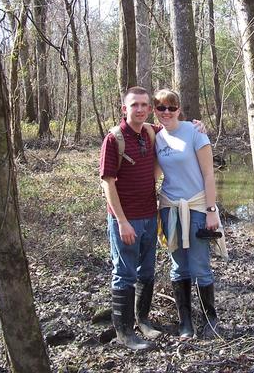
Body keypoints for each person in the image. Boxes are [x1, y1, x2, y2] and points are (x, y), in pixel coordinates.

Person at [153, 88, 220, 339]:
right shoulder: (156, 136)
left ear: (179, 109)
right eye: (161, 108)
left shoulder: (195, 132)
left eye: (171, 107)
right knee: (179, 266)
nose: (166, 112)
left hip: (197, 206)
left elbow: (209, 175)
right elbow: (155, 173)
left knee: (200, 265)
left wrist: (211, 210)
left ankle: (210, 320)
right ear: (155, 111)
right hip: (169, 208)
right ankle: (185, 323)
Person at [99, 86, 160, 351]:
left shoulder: (149, 132)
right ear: (125, 109)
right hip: (125, 220)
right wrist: (122, 221)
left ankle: (142, 320)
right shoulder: (114, 139)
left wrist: (196, 125)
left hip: (150, 216)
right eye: (134, 105)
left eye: (144, 105)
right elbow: (108, 184)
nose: (140, 109)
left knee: (146, 272)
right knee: (123, 275)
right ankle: (124, 333)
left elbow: (174, 126)